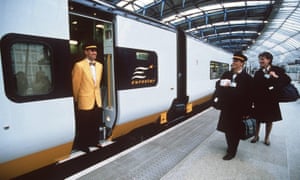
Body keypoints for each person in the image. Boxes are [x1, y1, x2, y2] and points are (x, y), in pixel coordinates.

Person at [216, 52, 253, 160]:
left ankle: (232, 151)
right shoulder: (226, 74)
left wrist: (247, 112)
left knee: (235, 131)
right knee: (227, 129)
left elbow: (250, 96)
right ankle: (229, 146)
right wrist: (222, 85)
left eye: (236, 61)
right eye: (233, 61)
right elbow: (218, 86)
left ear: (242, 64)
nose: (233, 63)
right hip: (227, 107)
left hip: (239, 110)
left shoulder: (247, 78)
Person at [251, 51, 290, 146]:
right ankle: (256, 136)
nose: (260, 61)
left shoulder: (277, 70)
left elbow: (287, 80)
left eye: (262, 59)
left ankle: (267, 137)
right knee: (257, 119)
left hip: (271, 100)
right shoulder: (258, 72)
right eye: (260, 59)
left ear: (269, 60)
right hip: (259, 100)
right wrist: (252, 100)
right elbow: (254, 86)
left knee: (269, 120)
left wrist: (276, 77)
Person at [72, 42, 103, 152]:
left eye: (95, 50)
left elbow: (97, 85)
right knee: (84, 124)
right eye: (91, 50)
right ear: (86, 52)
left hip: (97, 99)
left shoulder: (100, 66)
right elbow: (76, 84)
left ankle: (94, 141)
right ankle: (82, 144)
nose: (94, 52)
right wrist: (76, 100)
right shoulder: (79, 65)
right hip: (84, 99)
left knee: (95, 122)